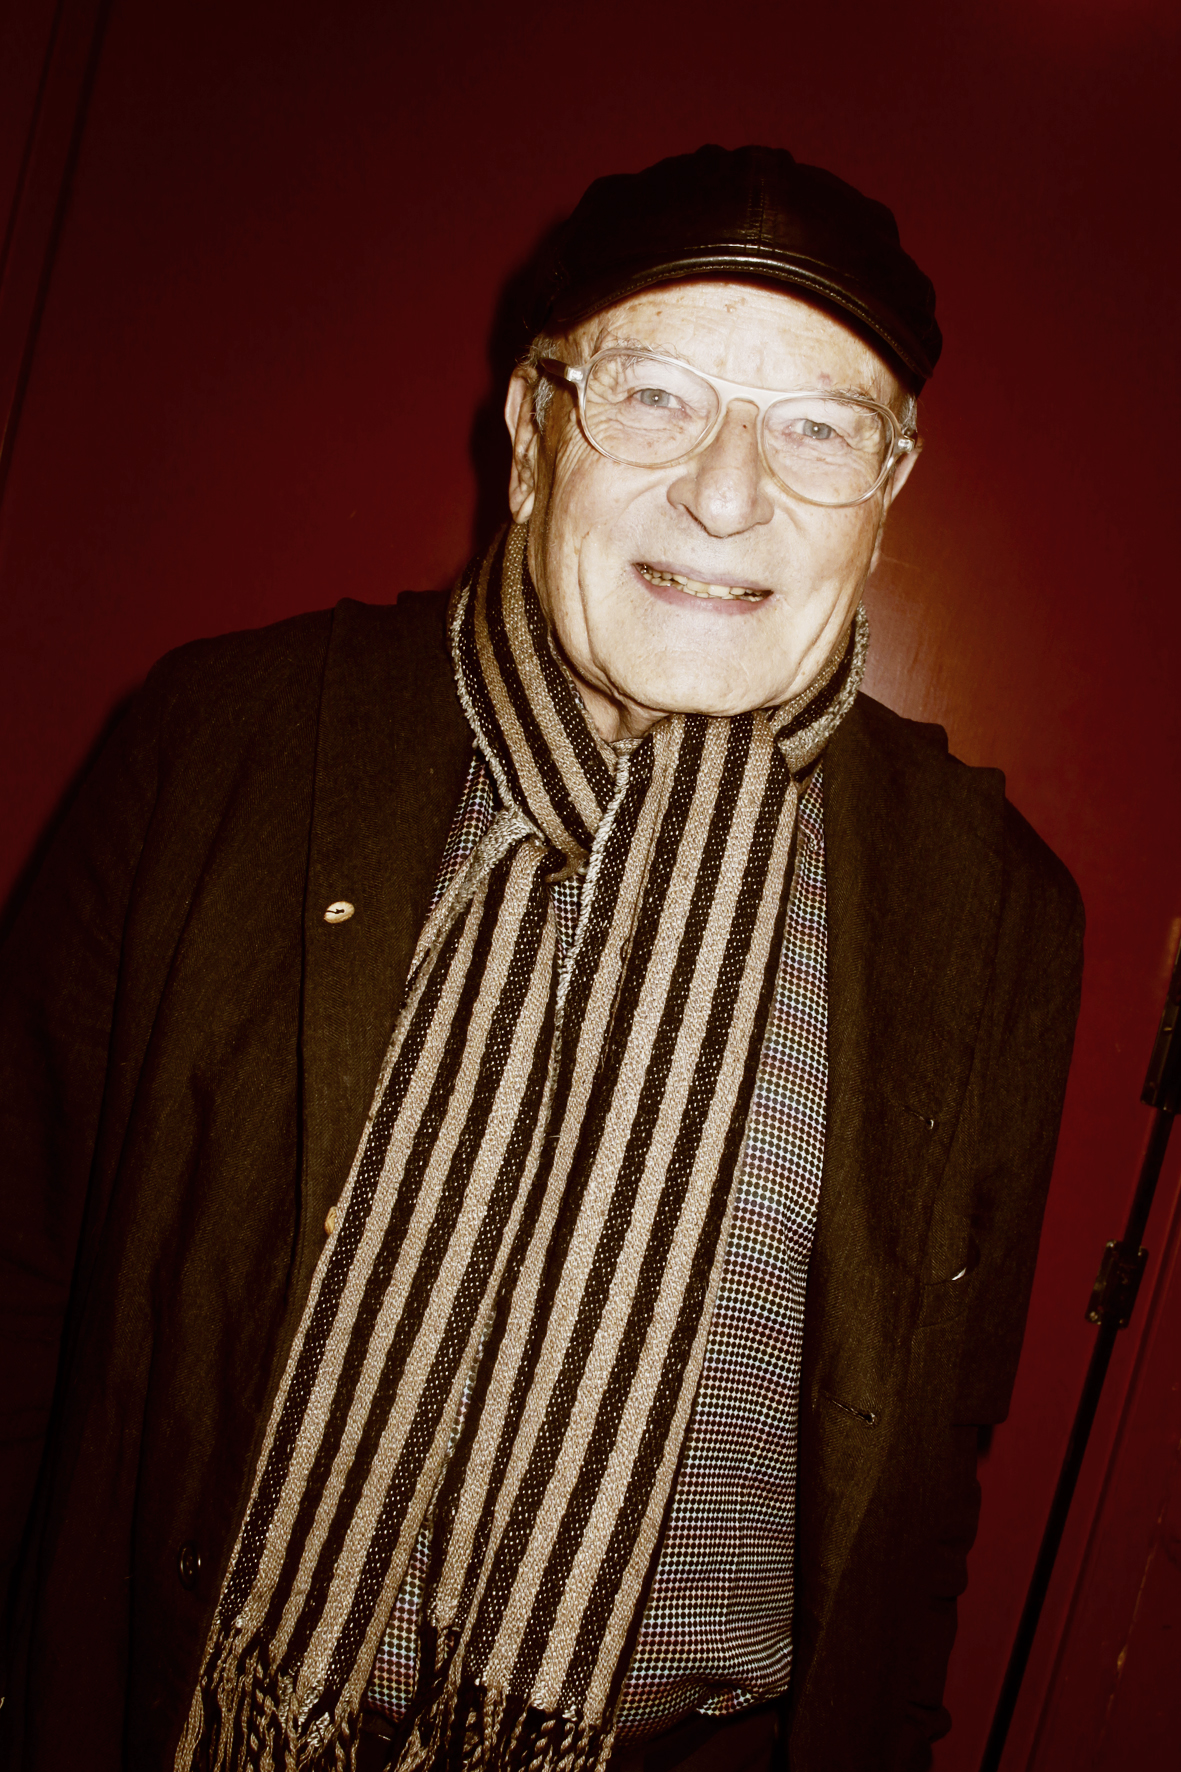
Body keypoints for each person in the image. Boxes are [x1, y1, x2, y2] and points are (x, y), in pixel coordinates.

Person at [0, 145, 1083, 1772]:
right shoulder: (222, 747)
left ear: (888, 485)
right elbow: (19, 1278)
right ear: (531, 433)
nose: (727, 495)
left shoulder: (990, 910)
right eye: (653, 397)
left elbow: (927, 1478)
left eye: (816, 427)